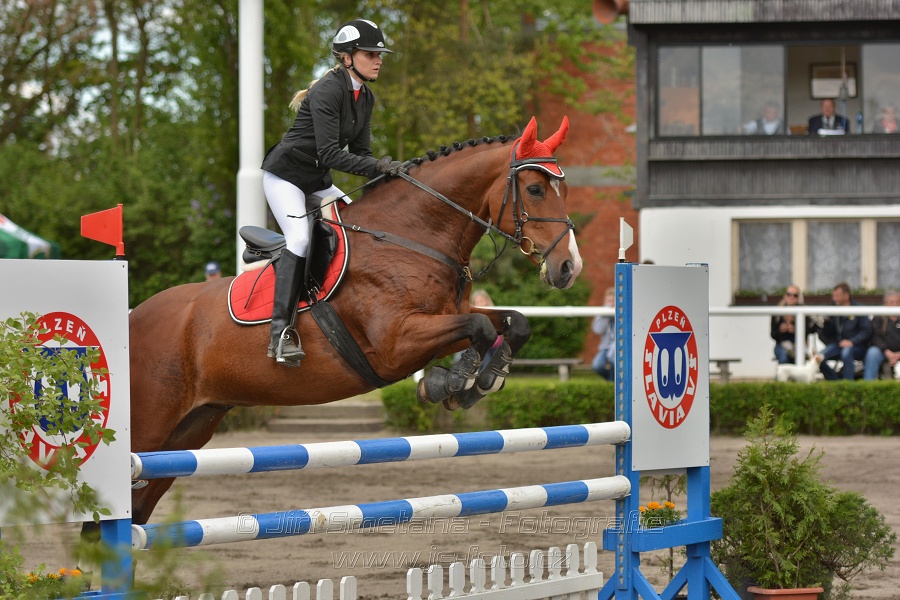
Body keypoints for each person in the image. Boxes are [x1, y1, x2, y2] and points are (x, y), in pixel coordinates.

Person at [260, 18, 402, 366]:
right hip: (286, 177)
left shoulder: (364, 96)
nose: (378, 59)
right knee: (299, 239)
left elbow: (363, 153)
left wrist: (391, 178)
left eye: (380, 53)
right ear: (347, 57)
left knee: (359, 228)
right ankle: (280, 334)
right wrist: (378, 167)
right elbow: (331, 154)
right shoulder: (328, 89)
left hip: (317, 182)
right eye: (371, 53)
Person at [812, 282, 873, 380]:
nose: (834, 299)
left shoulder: (859, 309)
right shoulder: (833, 309)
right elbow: (827, 334)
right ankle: (836, 383)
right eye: (833, 296)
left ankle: (847, 385)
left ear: (846, 296)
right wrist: (826, 323)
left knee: (847, 352)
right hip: (838, 344)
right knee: (819, 358)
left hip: (857, 346)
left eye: (837, 296)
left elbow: (867, 331)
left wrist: (852, 341)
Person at [770, 285, 818, 364]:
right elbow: (773, 334)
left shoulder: (804, 311)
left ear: (799, 297)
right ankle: (781, 376)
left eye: (795, 295)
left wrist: (796, 329)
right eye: (789, 294)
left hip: (799, 345)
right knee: (784, 358)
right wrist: (780, 330)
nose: (791, 297)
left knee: (799, 360)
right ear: (785, 296)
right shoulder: (777, 312)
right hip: (781, 345)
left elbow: (812, 330)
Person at [863, 290, 900, 380]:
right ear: (886, 304)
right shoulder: (879, 317)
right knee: (872, 353)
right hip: (883, 351)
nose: (895, 304)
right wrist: (887, 351)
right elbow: (875, 337)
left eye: (898, 302)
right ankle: (868, 386)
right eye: (892, 302)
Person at [591, 287, 616, 381]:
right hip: (605, 347)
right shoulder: (602, 313)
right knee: (597, 366)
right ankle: (611, 381)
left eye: (613, 301)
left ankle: (615, 382)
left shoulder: (622, 312)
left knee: (615, 362)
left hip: (617, 346)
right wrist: (605, 316)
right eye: (608, 300)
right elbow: (598, 330)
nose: (611, 303)